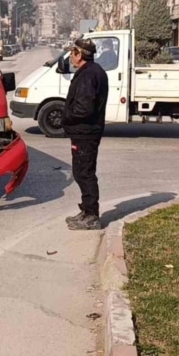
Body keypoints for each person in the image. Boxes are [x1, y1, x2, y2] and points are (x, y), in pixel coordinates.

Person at [62, 38, 108, 231]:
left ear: (79, 54)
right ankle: (87, 210)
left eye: (72, 53)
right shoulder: (90, 72)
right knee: (82, 171)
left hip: (85, 132)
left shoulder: (89, 75)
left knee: (84, 173)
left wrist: (66, 117)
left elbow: (84, 108)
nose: (70, 57)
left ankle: (92, 216)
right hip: (84, 131)